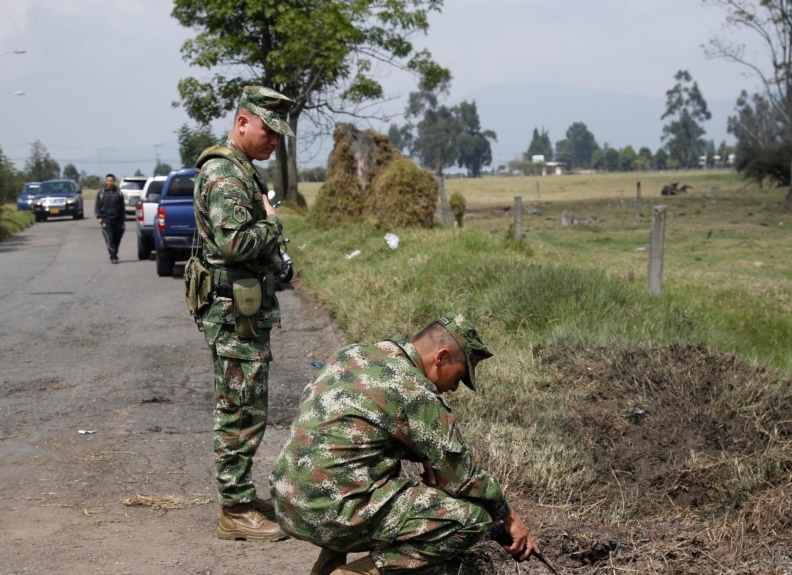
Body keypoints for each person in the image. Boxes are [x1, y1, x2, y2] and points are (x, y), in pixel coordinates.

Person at [270, 313, 541, 575]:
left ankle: (325, 568)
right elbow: (464, 475)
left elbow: (349, 431)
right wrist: (510, 518)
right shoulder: (415, 390)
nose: (454, 388)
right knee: (471, 520)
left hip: (288, 505)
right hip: (330, 516)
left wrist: (423, 456)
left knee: (360, 469)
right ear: (441, 357)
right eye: (459, 376)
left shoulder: (352, 354)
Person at [193, 85, 294, 542]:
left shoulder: (241, 170)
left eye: (279, 135)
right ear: (242, 122)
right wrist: (272, 224)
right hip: (235, 314)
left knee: (248, 406)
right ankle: (234, 510)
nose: (274, 141)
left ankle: (239, 497)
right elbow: (234, 243)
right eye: (268, 131)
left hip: (244, 312)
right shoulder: (225, 174)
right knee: (240, 411)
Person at [94, 174, 125, 263]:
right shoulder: (101, 192)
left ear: (114, 181)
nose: (110, 182)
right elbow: (97, 206)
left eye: (111, 181)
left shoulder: (119, 192)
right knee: (110, 238)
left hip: (118, 220)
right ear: (106, 181)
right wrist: (99, 217)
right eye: (108, 181)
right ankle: (113, 256)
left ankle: (114, 252)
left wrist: (123, 218)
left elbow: (122, 207)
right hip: (106, 220)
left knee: (117, 239)